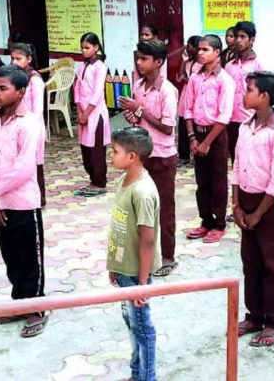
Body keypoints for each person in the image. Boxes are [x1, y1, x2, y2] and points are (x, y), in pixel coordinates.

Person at [0, 65, 48, 338]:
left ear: (20, 92)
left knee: (31, 258)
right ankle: (19, 302)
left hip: (23, 202)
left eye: (2, 88)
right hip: (0, 203)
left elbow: (24, 168)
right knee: (11, 256)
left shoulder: (29, 123)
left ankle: (37, 308)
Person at [232, 71, 274, 347]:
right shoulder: (245, 127)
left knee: (272, 265)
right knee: (250, 262)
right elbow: (236, 167)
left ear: (264, 97)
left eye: (249, 89)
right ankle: (254, 315)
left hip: (267, 206)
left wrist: (257, 213)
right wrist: (235, 205)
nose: (244, 93)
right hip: (245, 201)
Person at [121, 40, 180, 277]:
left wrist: (140, 109)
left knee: (164, 207)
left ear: (158, 62)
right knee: (140, 205)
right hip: (143, 155)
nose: (139, 63)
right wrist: (133, 116)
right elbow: (140, 120)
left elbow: (167, 127)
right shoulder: (138, 85)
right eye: (138, 58)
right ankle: (144, 252)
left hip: (163, 156)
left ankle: (168, 255)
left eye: (144, 59)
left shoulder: (168, 90)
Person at [107, 127, 161, 381]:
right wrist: (113, 266)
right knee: (133, 324)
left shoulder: (143, 191)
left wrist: (142, 284)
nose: (111, 156)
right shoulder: (124, 179)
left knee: (143, 328)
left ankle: (147, 377)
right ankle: (137, 374)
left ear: (132, 157)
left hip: (136, 274)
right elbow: (121, 230)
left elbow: (147, 240)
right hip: (123, 269)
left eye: (115, 151)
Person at [183, 34, 235, 244]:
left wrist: (207, 142)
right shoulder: (195, 78)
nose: (200, 53)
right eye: (199, 49)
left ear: (217, 52)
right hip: (197, 133)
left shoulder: (225, 80)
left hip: (216, 135)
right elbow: (187, 109)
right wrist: (193, 138)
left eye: (206, 50)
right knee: (201, 181)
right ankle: (205, 220)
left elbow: (224, 116)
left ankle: (219, 223)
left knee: (218, 180)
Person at [73, 32, 111, 197]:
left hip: (95, 114)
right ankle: (92, 179)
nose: (84, 51)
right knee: (85, 148)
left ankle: (100, 181)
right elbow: (77, 90)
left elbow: (97, 93)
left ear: (96, 48)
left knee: (96, 148)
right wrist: (79, 110)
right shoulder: (81, 67)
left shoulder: (100, 67)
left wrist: (87, 112)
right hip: (83, 113)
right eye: (82, 48)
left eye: (87, 48)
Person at [10, 43, 47, 207]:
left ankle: (39, 198)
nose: (14, 62)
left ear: (29, 59)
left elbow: (38, 110)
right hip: (17, 127)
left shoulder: (35, 79)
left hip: (33, 128)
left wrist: (31, 129)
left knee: (34, 165)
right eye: (12, 58)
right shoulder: (15, 78)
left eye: (18, 59)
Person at [225, 21, 263, 162]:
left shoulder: (258, 64)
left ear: (252, 40)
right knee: (235, 157)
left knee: (252, 158)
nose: (238, 40)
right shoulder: (229, 66)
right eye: (236, 37)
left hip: (250, 118)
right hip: (232, 118)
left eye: (243, 37)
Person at [176, 35, 202, 167]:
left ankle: (196, 154)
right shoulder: (188, 62)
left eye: (190, 45)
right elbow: (181, 77)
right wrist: (183, 61)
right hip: (185, 96)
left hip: (197, 96)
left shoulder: (202, 64)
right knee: (182, 126)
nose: (187, 47)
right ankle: (183, 156)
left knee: (195, 127)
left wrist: (188, 79)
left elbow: (194, 81)